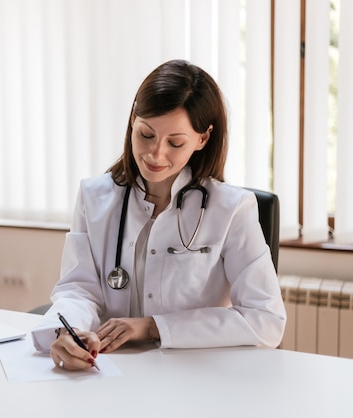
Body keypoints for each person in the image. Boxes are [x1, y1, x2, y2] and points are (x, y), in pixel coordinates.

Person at [31, 59, 287, 371]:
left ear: (202, 138)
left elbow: (266, 319)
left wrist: (153, 326)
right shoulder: (94, 196)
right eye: (146, 135)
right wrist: (66, 333)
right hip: (108, 368)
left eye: (175, 143)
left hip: (191, 372)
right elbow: (78, 289)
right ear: (133, 121)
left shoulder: (232, 209)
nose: (155, 154)